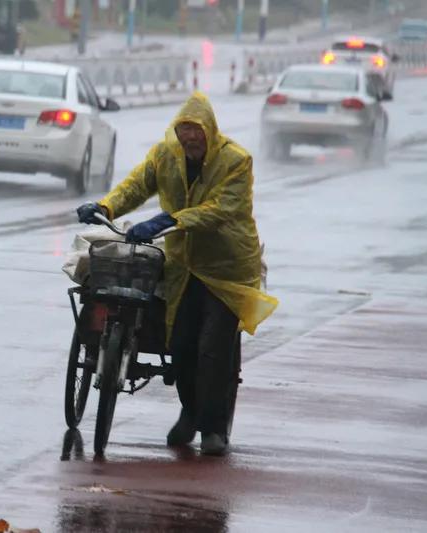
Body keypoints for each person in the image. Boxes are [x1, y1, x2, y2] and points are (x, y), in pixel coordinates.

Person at [76, 91, 278, 456]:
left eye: (197, 131)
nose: (191, 139)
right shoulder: (165, 156)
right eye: (184, 132)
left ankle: (214, 429)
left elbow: (221, 209)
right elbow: (137, 186)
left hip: (227, 269)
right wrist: (105, 205)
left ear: (210, 131)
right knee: (180, 343)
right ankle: (190, 412)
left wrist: (169, 220)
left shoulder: (236, 161)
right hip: (183, 266)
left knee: (212, 349)